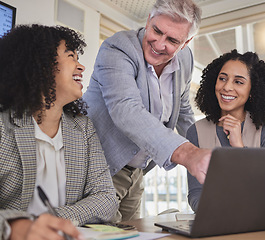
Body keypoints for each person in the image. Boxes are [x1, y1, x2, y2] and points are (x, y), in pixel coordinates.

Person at [83, 0, 211, 221]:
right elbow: (126, 110)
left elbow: (183, 112)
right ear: (149, 19)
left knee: (131, 234)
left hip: (138, 172)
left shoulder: (186, 59)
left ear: (186, 42)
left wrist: (206, 154)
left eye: (172, 40)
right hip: (101, 169)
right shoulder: (117, 48)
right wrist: (189, 154)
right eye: (157, 30)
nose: (159, 44)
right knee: (97, 235)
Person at [0, 24, 119, 240]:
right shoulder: (2, 126)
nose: (81, 66)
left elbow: (107, 198)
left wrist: (52, 219)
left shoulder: (82, 128)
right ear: (42, 65)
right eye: (71, 56)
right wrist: (17, 227)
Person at [186, 50, 265, 212]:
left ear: (252, 90)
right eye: (222, 79)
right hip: (214, 221)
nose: (227, 87)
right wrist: (216, 211)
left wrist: (238, 147)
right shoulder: (196, 132)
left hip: (260, 222)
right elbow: (196, 192)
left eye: (238, 82)